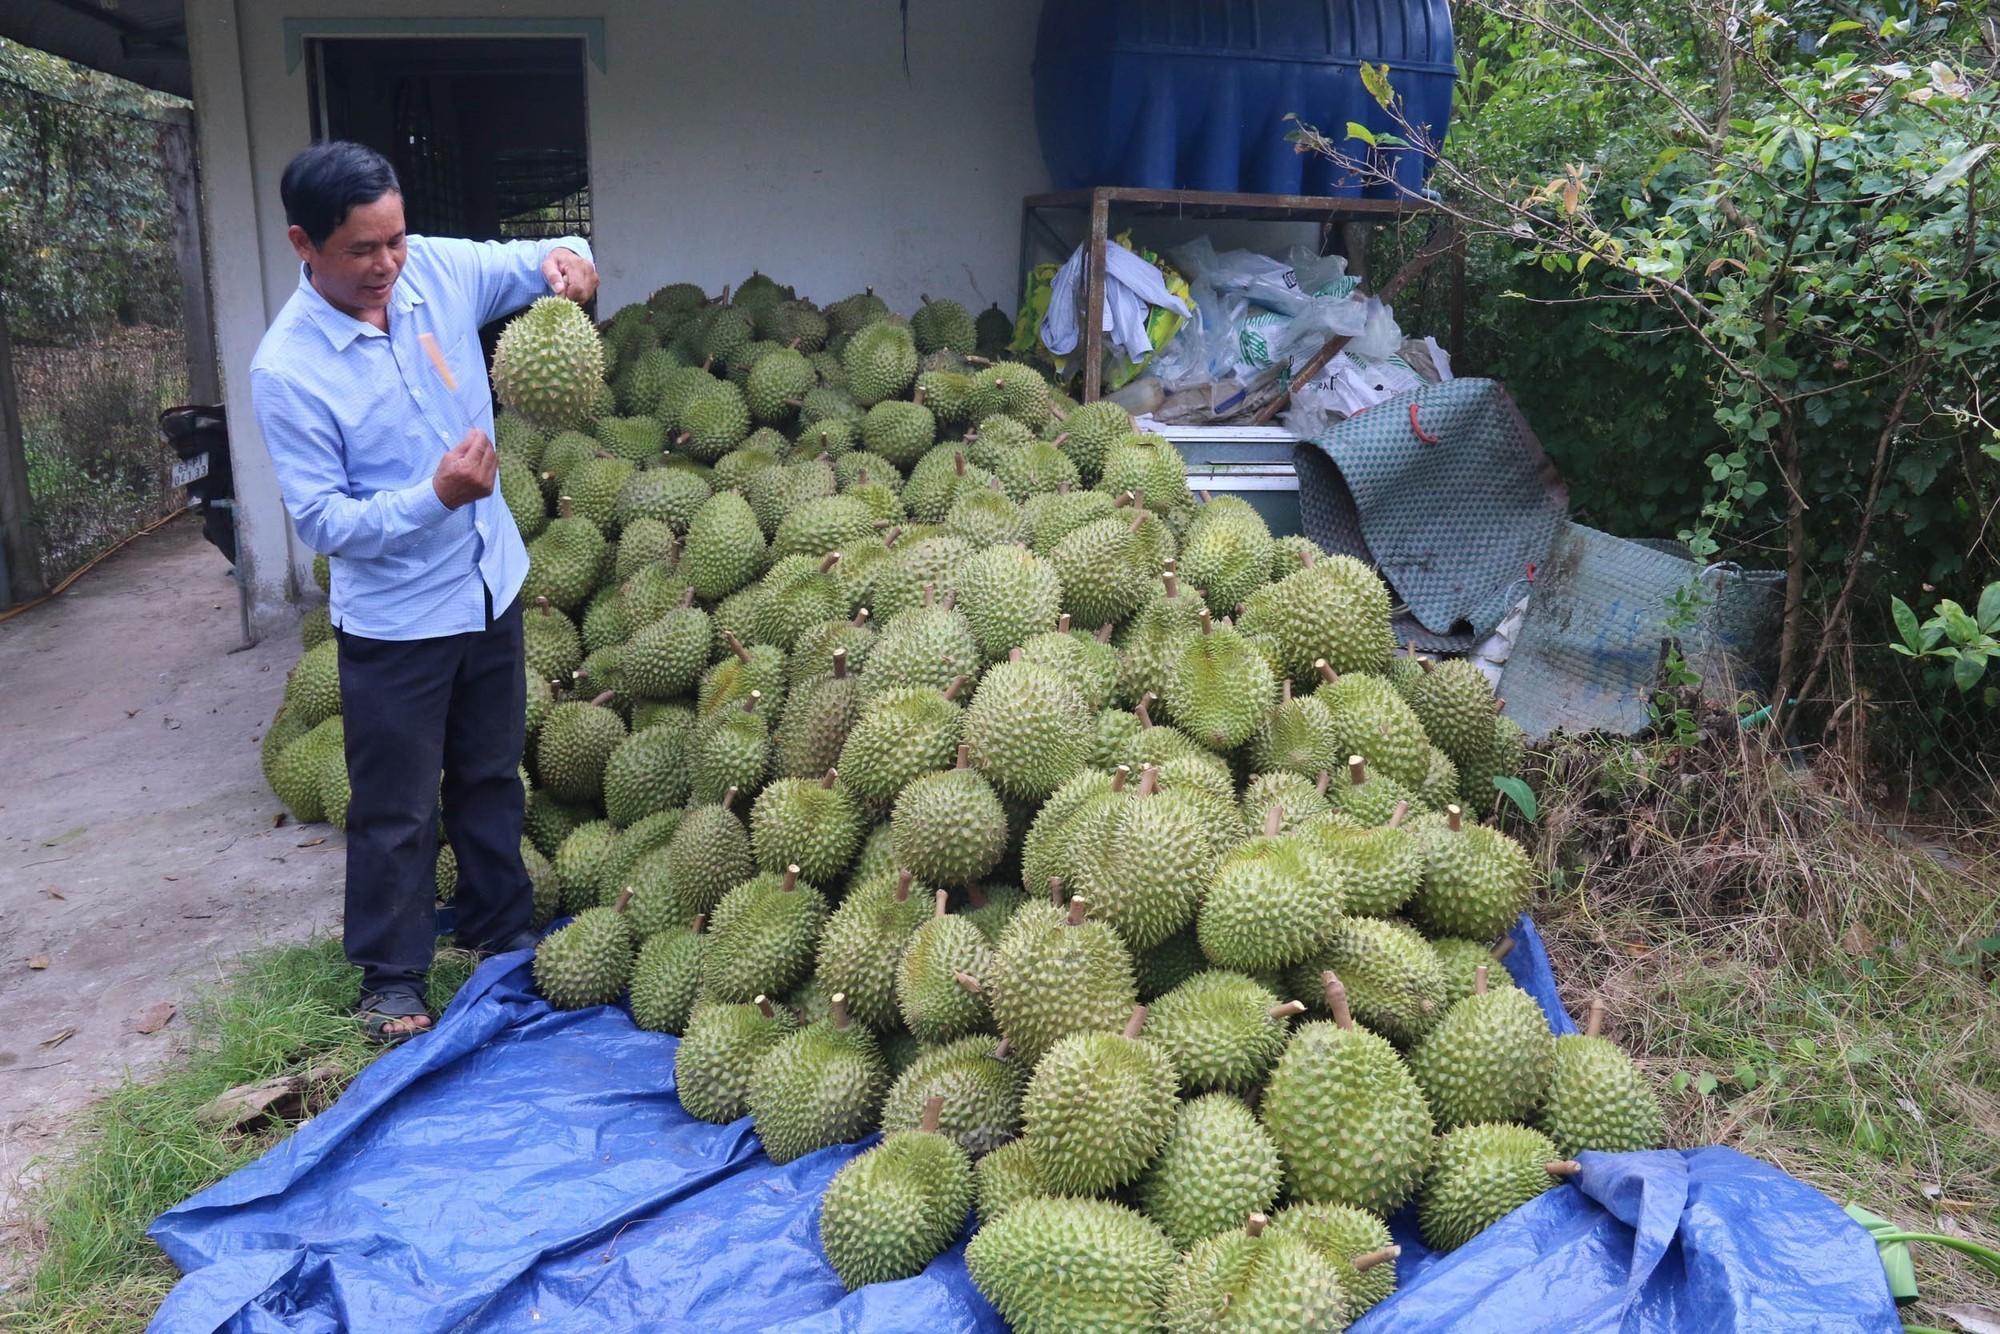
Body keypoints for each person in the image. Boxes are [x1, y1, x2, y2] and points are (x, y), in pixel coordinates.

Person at [252, 140, 599, 1043]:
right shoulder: (286, 369)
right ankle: (391, 978)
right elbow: (324, 521)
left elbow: (538, 259)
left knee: (490, 774)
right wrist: (432, 497)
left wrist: (570, 264)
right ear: (304, 244)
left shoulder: (434, 271)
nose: (387, 265)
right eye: (362, 250)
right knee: (396, 805)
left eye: (395, 241)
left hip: (489, 580)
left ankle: (499, 926)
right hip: (399, 616)